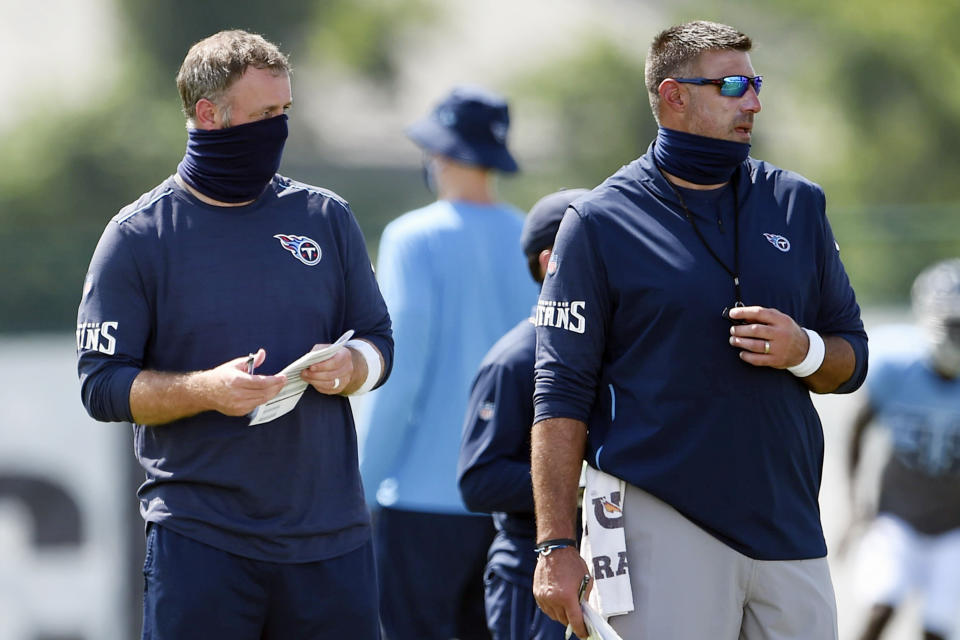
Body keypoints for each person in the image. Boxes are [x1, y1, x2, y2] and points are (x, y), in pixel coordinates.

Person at [529, 20, 869, 640]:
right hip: (657, 515)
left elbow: (853, 356)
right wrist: (554, 544)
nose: (754, 103)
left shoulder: (798, 203)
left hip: (789, 523)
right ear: (673, 95)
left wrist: (804, 350)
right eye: (734, 85)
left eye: (756, 84)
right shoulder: (599, 221)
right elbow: (559, 391)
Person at [76, 30, 393, 640]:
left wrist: (354, 365)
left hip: (331, 540)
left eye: (285, 112)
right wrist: (205, 389)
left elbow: (379, 337)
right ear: (209, 114)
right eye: (263, 114)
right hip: (201, 541)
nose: (278, 128)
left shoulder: (324, 217)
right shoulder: (138, 236)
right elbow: (101, 386)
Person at [356, 85, 539, 640]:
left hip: (420, 497)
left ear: (439, 155)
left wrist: (359, 485)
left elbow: (401, 373)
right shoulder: (533, 234)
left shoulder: (412, 238)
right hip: (514, 499)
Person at [458, 188, 589, 640]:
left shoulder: (617, 348)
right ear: (551, 260)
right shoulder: (513, 360)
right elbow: (480, 480)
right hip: (531, 578)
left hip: (603, 571)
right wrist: (584, 481)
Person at [847, 259, 960, 640]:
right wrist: (855, 503)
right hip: (898, 517)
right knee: (881, 606)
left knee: (936, 628)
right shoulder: (896, 366)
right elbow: (858, 429)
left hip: (954, 527)